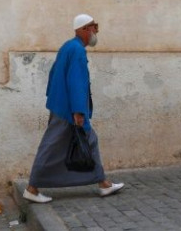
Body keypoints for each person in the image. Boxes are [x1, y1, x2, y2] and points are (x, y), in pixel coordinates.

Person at [23, 13, 124, 203]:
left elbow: (54, 75)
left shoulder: (68, 46)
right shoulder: (77, 50)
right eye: (94, 27)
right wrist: (78, 111)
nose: (96, 32)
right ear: (85, 29)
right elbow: (76, 82)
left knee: (87, 141)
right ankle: (32, 188)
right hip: (68, 110)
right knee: (52, 145)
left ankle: (103, 183)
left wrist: (54, 99)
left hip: (61, 105)